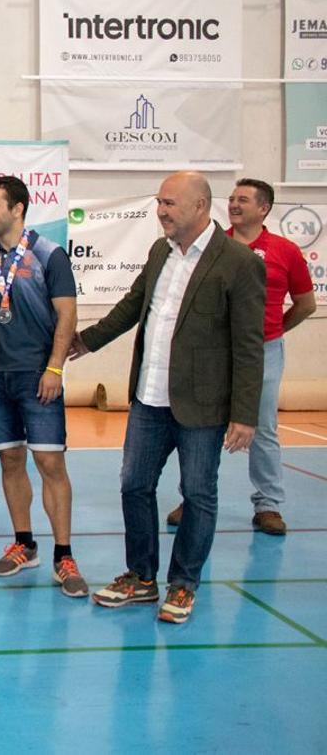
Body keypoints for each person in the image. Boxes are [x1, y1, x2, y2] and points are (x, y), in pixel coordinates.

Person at [74, 171, 266, 624]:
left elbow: (249, 345)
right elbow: (132, 305)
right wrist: (84, 342)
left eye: (169, 203)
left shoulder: (239, 262)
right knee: (134, 485)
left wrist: (244, 414)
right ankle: (141, 577)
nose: (161, 211)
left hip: (203, 405)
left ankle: (183, 584)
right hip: (148, 398)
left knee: (198, 493)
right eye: (159, 202)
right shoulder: (160, 251)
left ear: (200, 206)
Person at [0, 175, 88, 599]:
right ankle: (24, 544)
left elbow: (67, 315)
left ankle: (64, 555)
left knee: (50, 464)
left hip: (36, 376)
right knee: (10, 460)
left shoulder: (49, 254)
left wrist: (55, 368)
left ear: (18, 209)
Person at [165, 178, 314, 536]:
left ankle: (268, 505)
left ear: (264, 208)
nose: (233, 204)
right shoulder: (213, 246)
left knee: (262, 427)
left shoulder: (285, 251)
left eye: (243, 199)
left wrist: (272, 333)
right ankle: (193, 499)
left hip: (264, 352)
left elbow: (306, 304)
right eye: (231, 198)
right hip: (214, 353)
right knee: (202, 427)